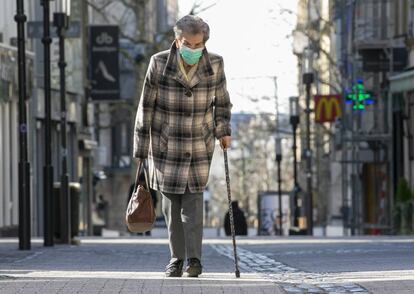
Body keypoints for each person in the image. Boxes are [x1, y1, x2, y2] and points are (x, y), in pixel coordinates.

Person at [133, 15, 232, 278]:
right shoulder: (159, 62)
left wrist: (223, 131)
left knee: (194, 206)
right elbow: (146, 107)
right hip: (166, 145)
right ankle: (176, 259)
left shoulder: (215, 63)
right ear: (178, 40)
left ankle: (195, 261)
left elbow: (222, 102)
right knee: (171, 208)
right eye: (188, 44)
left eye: (198, 45)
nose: (193, 50)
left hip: (199, 145)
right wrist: (141, 149)